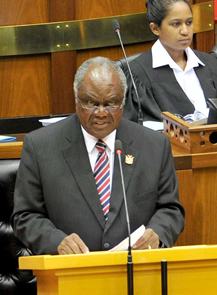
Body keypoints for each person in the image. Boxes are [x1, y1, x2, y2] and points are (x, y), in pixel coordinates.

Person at [12, 57, 184, 255]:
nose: (101, 113)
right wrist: (57, 241)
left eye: (111, 103)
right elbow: (25, 217)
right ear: (76, 99)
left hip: (136, 273)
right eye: (91, 103)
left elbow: (171, 209)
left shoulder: (154, 146)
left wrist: (158, 234)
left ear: (124, 101)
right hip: (70, 274)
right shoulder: (41, 147)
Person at [123, 0, 217, 122]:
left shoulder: (211, 65)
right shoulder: (137, 75)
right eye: (176, 24)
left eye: (189, 22)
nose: (185, 31)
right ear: (155, 29)